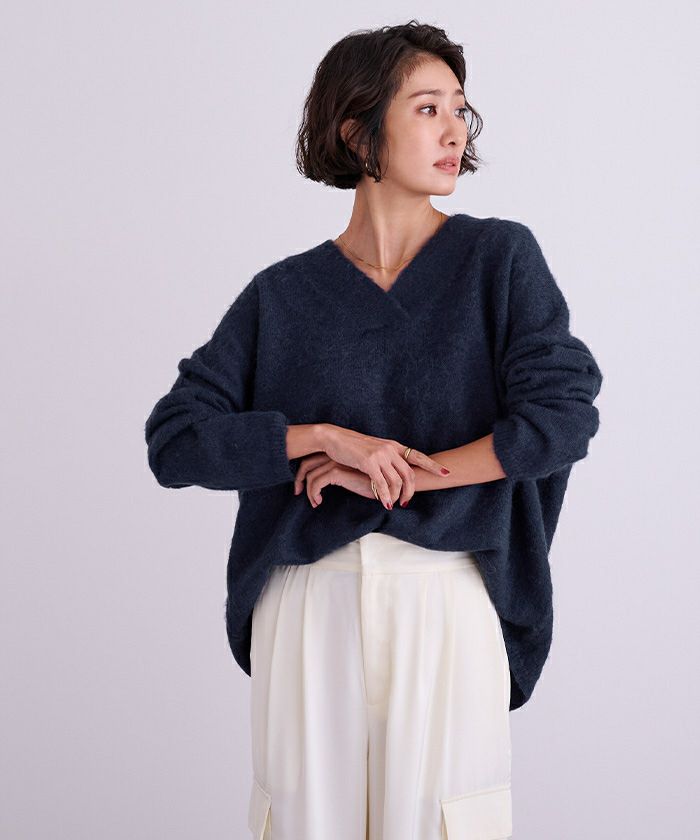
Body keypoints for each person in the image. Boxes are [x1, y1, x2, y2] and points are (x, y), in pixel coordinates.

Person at [144, 20, 604, 840]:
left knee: (446, 822)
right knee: (303, 825)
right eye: (427, 108)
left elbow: (562, 417)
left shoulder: (498, 261)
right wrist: (322, 438)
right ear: (358, 133)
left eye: (460, 109)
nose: (455, 130)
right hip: (307, 604)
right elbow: (176, 440)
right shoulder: (283, 296)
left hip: (448, 593)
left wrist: (406, 474)